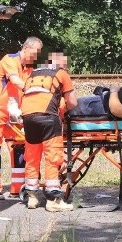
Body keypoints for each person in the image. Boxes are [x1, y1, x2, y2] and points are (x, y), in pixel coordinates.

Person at [0, 36, 42, 199]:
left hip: (15, 112)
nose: (36, 56)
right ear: (25, 48)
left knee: (19, 147)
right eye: (35, 52)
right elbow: (15, 80)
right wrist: (34, 88)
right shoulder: (9, 59)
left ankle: (17, 188)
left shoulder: (29, 68)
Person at [20, 52, 77, 212]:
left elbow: (23, 98)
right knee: (52, 157)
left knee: (32, 156)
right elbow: (72, 102)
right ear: (62, 65)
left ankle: (32, 196)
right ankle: (53, 201)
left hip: (28, 118)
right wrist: (64, 107)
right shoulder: (61, 74)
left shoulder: (32, 75)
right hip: (48, 119)